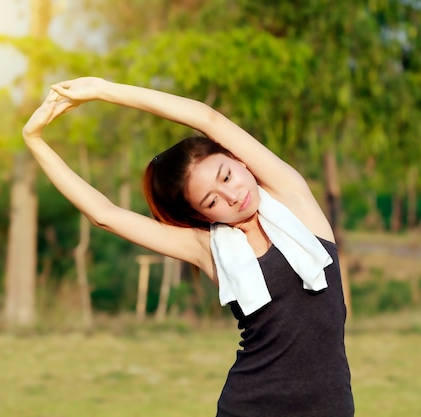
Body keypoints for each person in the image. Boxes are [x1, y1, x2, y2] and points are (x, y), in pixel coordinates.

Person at [22, 76, 355, 417]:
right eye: (212, 200)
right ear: (200, 213)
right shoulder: (209, 247)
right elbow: (104, 215)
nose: (232, 195)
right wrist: (34, 141)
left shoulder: (293, 198)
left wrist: (103, 90)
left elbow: (206, 119)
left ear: (239, 160)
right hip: (251, 406)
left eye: (226, 176)